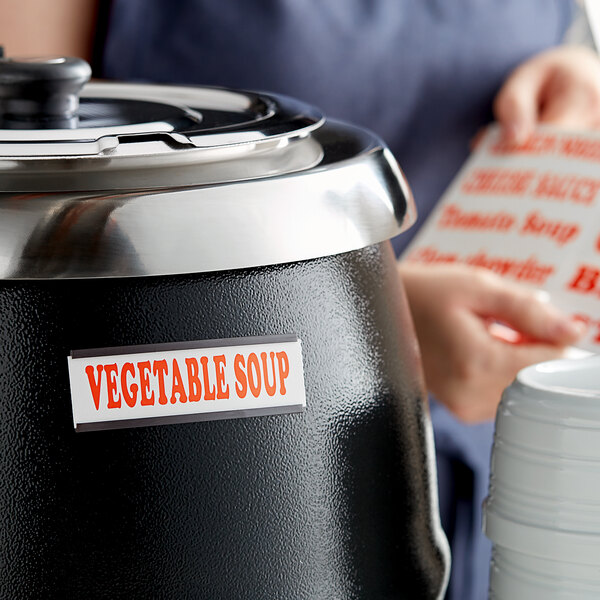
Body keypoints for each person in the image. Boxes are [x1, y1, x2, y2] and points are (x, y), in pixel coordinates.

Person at [2, 1, 599, 597]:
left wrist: (576, 75)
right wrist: (370, 324)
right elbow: (33, 167)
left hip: (471, 461)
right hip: (185, 462)